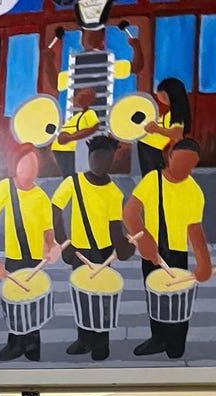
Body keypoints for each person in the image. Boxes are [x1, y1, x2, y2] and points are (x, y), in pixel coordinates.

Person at [123, 138, 212, 359]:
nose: (183, 168)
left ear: (195, 164)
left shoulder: (194, 191)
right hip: (151, 251)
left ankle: (176, 342)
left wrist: (204, 263)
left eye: (189, 164)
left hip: (178, 253)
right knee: (155, 296)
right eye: (179, 161)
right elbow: (130, 212)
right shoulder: (152, 180)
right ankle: (158, 338)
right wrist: (144, 240)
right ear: (169, 157)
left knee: (178, 300)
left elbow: (195, 230)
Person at [52, 134, 135, 361]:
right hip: (78, 252)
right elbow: (55, 208)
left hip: (103, 252)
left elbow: (114, 228)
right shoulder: (73, 182)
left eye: (106, 159)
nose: (101, 163)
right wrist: (64, 243)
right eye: (97, 158)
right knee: (82, 295)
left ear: (112, 161)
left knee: (103, 297)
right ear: (89, 157)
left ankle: (101, 342)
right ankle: (84, 339)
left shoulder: (114, 192)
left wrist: (125, 247)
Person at [0, 143, 60, 362]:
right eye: (25, 164)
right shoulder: (5, 188)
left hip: (36, 261)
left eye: (34, 165)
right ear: (15, 165)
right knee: (14, 303)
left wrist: (52, 247)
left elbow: (48, 231)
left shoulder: (41, 197)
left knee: (34, 303)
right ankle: (15, 344)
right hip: (14, 259)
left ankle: (32, 345)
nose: (30, 170)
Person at [51, 87, 99, 177]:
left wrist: (70, 138)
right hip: (61, 149)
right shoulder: (79, 115)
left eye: (77, 97)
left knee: (71, 175)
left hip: (71, 150)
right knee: (67, 175)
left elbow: (93, 128)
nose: (74, 100)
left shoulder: (90, 113)